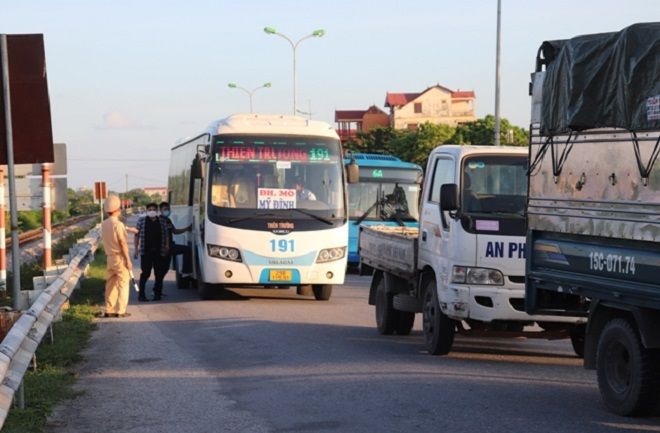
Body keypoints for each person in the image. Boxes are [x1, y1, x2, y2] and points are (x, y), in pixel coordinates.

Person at [100, 194, 133, 318]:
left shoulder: (104, 224)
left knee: (110, 284)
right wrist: (128, 260)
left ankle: (109, 309)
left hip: (109, 257)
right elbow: (123, 243)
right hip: (119, 257)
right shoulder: (118, 225)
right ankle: (120, 310)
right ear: (118, 210)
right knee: (123, 283)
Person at [134, 202, 169, 301]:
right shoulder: (141, 221)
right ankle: (141, 295)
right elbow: (136, 235)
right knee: (145, 273)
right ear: (146, 211)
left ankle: (157, 294)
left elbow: (166, 234)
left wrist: (167, 245)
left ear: (157, 211)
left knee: (159, 273)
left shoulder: (162, 221)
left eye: (154, 209)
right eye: (150, 210)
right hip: (146, 252)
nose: (152, 211)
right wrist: (136, 249)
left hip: (159, 251)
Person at [156, 202, 192, 284]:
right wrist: (165, 246)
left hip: (170, 246)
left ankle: (157, 289)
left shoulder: (168, 220)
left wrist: (186, 229)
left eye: (168, 209)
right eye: (165, 209)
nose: (167, 211)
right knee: (162, 269)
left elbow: (174, 231)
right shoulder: (159, 220)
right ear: (160, 210)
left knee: (165, 269)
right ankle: (186, 271)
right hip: (164, 247)